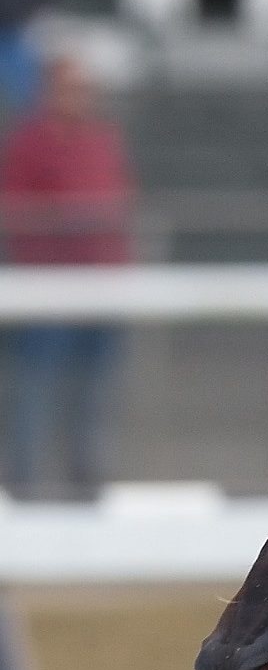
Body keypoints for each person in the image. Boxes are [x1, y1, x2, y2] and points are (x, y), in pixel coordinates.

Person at [0, 54, 133, 498]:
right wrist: (67, 223)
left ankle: (86, 488)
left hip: (101, 289)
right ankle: (26, 489)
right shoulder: (29, 142)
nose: (78, 97)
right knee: (35, 393)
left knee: (93, 397)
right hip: (49, 291)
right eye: (68, 88)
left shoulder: (101, 139)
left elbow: (117, 204)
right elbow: (16, 212)